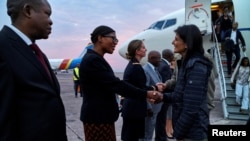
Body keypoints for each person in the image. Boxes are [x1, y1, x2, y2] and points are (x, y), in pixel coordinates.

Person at [79, 25, 162, 141]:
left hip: (101, 117)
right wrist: (146, 94)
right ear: (100, 38)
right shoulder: (93, 60)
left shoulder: (96, 59)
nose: (115, 42)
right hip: (97, 118)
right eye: (113, 38)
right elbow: (116, 85)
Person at [0, 0, 68, 140]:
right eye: (47, 14)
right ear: (28, 11)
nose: (51, 21)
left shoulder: (36, 53)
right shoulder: (3, 48)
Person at [161, 24, 212, 141]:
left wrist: (179, 132)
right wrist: (162, 97)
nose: (173, 42)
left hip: (193, 132)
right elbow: (180, 95)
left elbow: (191, 107)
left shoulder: (197, 66)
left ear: (187, 43)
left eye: (176, 39)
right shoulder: (186, 63)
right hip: (188, 130)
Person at [121, 39, 158, 141]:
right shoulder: (136, 67)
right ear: (137, 51)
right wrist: (155, 88)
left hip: (131, 108)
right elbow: (141, 88)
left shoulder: (132, 65)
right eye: (143, 47)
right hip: (134, 109)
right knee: (132, 137)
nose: (145, 49)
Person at [143, 50, 163, 141]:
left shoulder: (154, 69)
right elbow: (145, 90)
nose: (160, 61)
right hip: (150, 109)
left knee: (150, 132)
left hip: (155, 108)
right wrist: (148, 107)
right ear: (151, 58)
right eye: (159, 59)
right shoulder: (146, 70)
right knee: (147, 133)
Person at [155, 49, 174, 141]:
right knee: (161, 119)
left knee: (160, 119)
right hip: (164, 97)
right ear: (170, 56)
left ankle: (160, 137)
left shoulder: (160, 64)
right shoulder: (166, 66)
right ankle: (161, 138)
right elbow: (166, 84)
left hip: (160, 96)